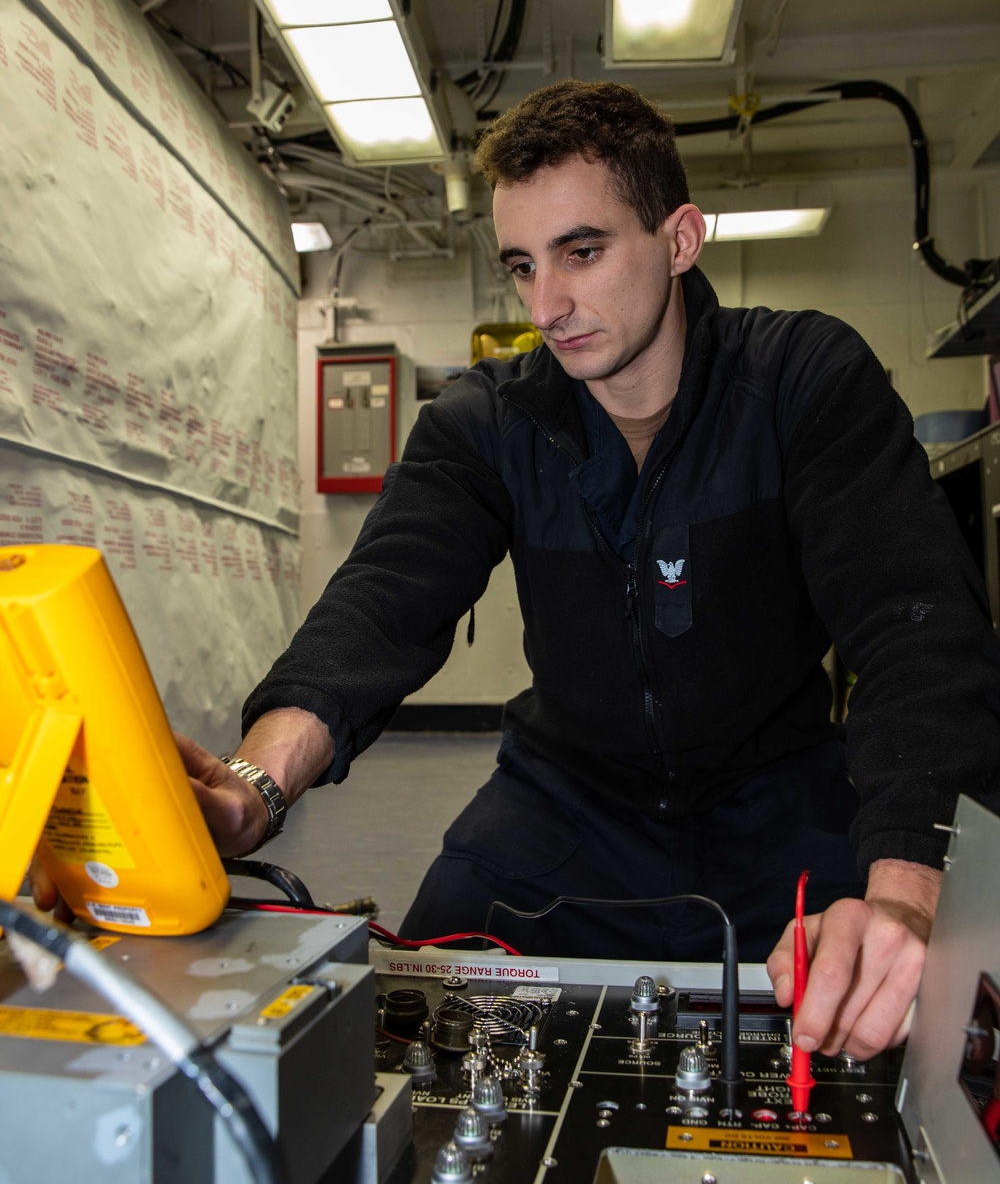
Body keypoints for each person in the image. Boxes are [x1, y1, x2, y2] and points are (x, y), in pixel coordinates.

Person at [33, 80, 1000, 1062]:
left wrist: (906, 895)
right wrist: (253, 784)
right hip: (562, 809)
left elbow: (913, 633)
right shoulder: (487, 420)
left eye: (582, 253)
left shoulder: (803, 380)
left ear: (678, 239)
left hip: (782, 805)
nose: (546, 304)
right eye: (523, 266)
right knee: (406, 1040)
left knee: (893, 1035)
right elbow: (381, 605)